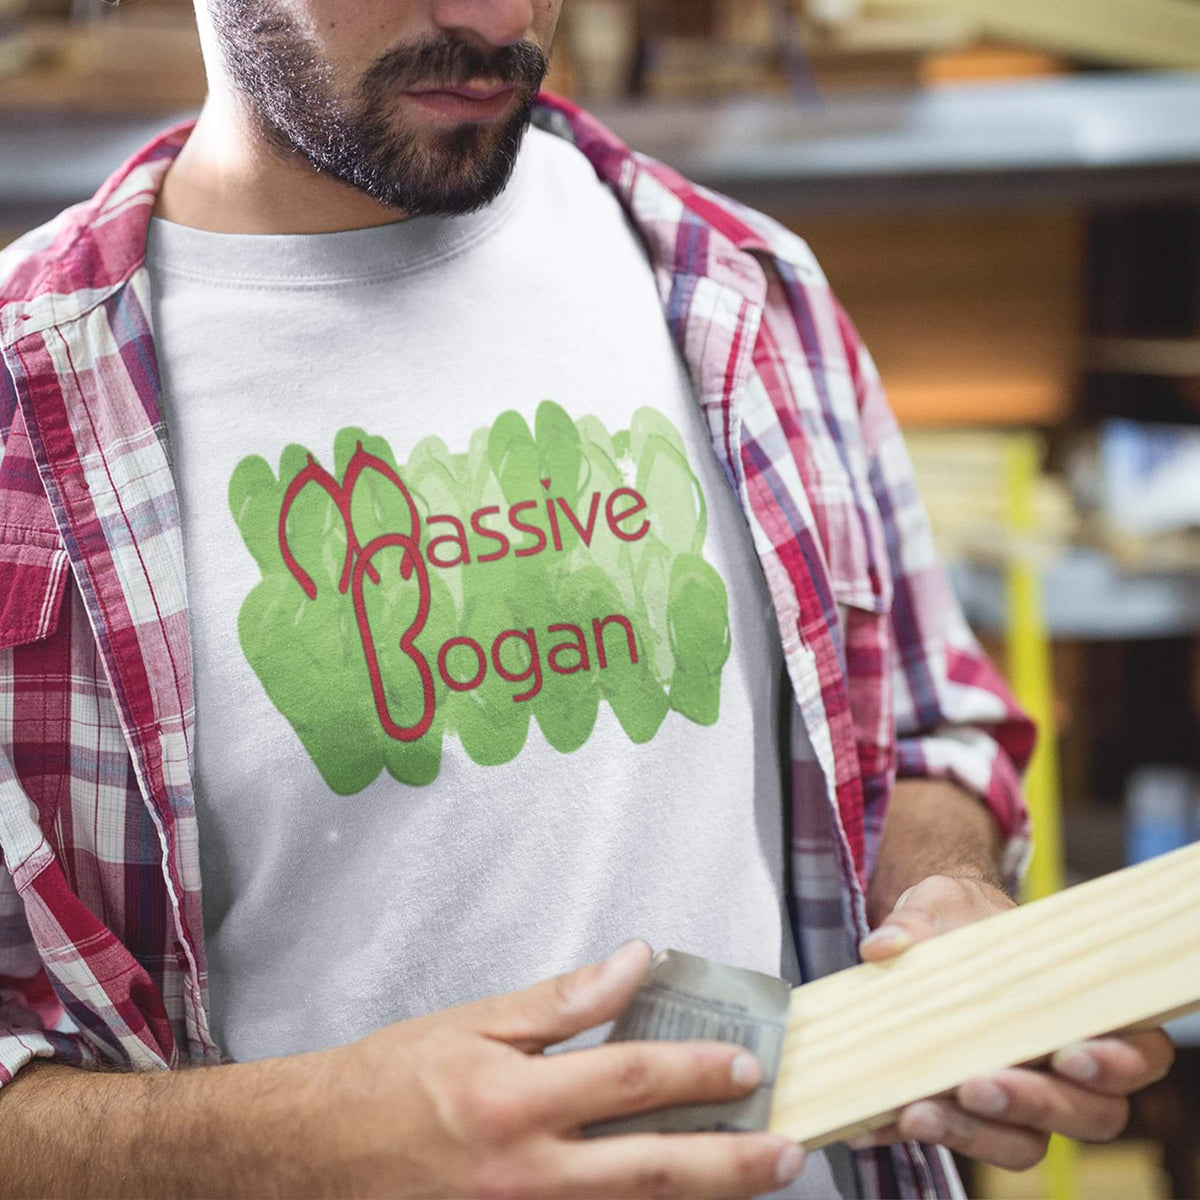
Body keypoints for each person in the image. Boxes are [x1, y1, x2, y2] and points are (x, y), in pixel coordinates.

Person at [0, 2, 1174, 1197]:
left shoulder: (741, 287)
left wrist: (943, 898)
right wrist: (290, 1138)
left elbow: (923, 726)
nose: (496, 16)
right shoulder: (21, 421)